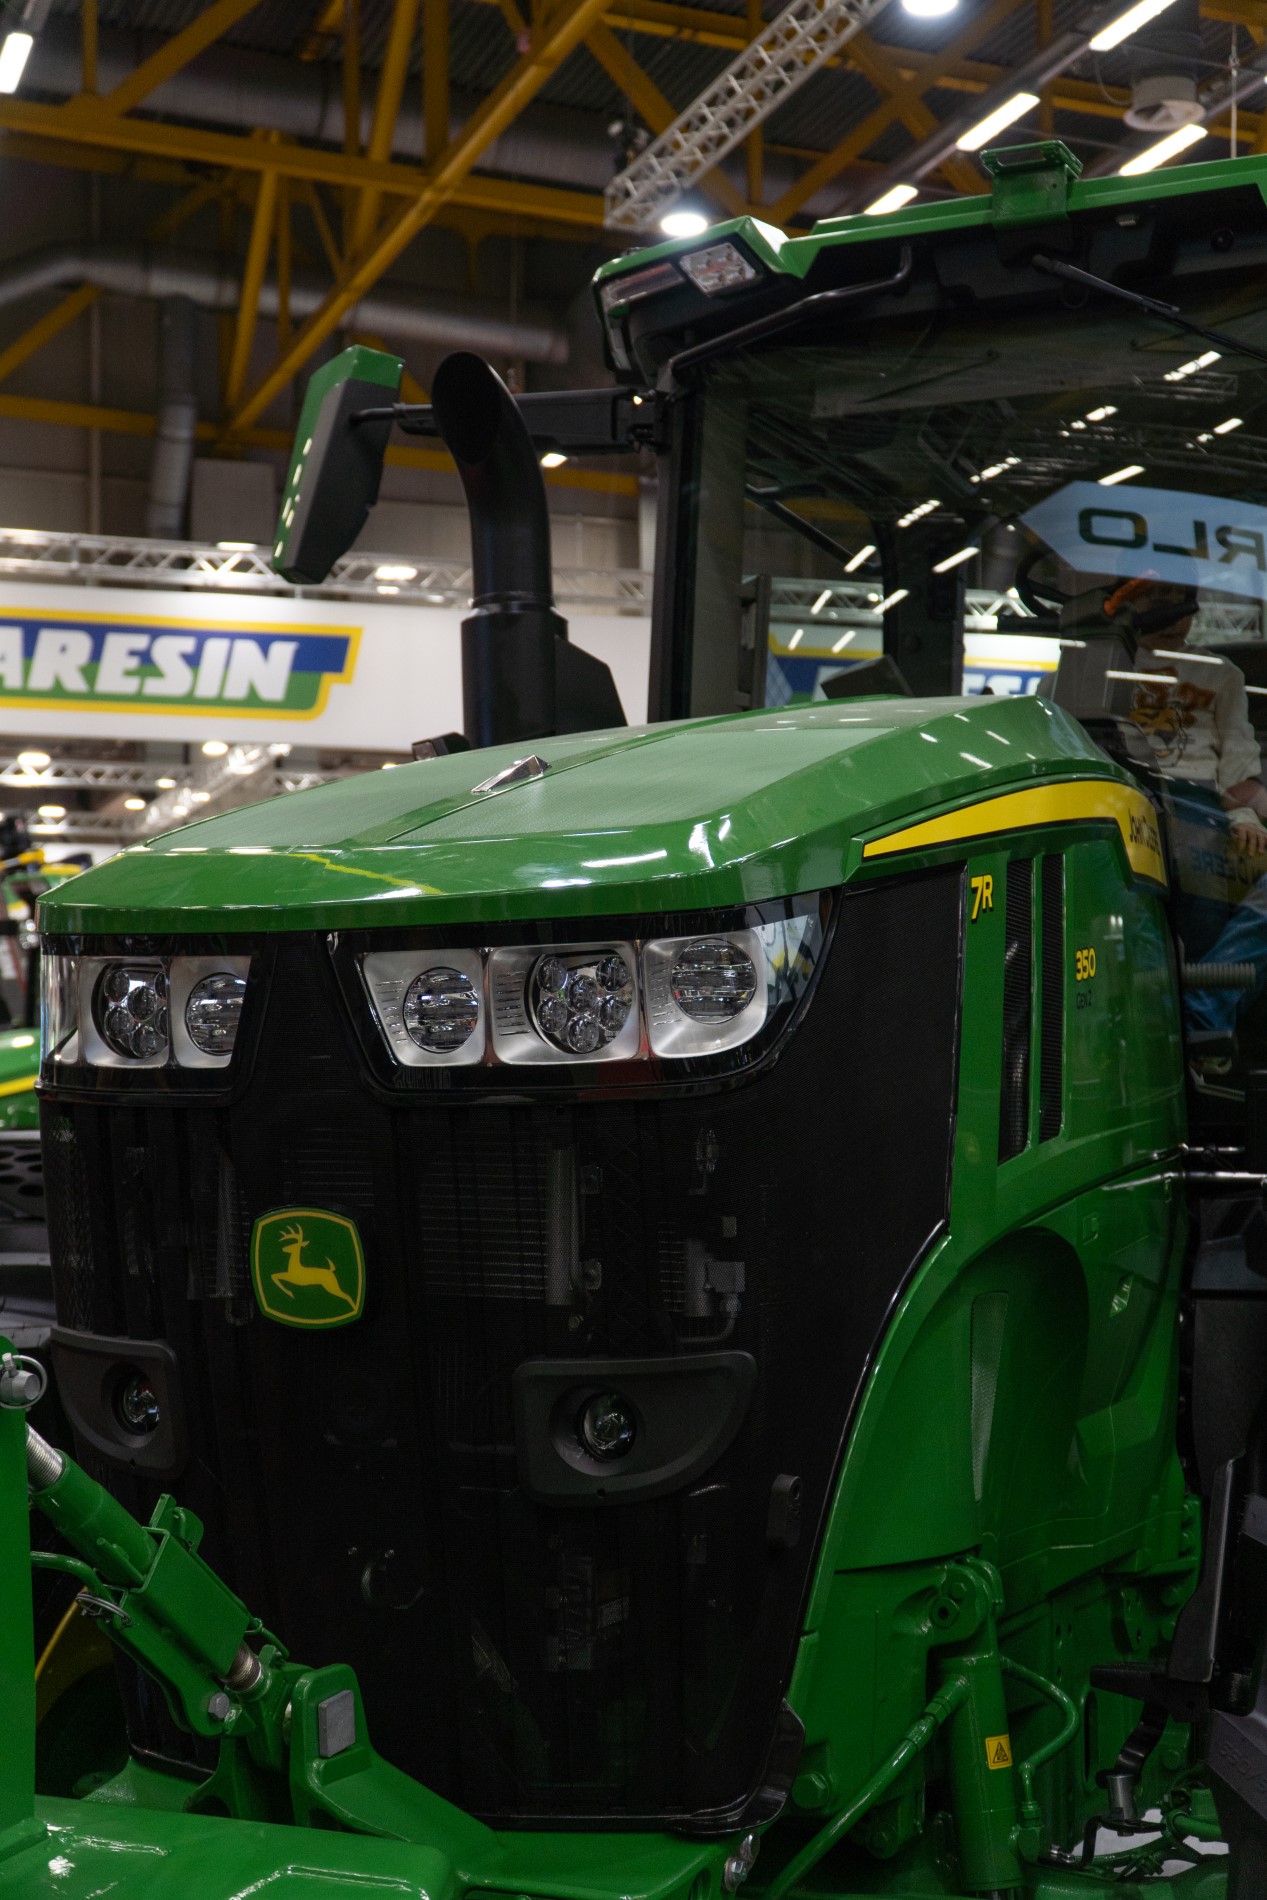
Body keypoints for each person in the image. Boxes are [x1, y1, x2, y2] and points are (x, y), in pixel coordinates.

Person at [1104, 577, 1267, 1047]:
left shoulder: (1220, 673)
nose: (1176, 619)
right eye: (1159, 602)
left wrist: (1244, 816)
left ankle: (1202, 1016)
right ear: (1125, 605)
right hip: (1124, 799)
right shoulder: (1092, 668)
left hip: (1203, 807)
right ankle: (1195, 1020)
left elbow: (1239, 756)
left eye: (1184, 606)